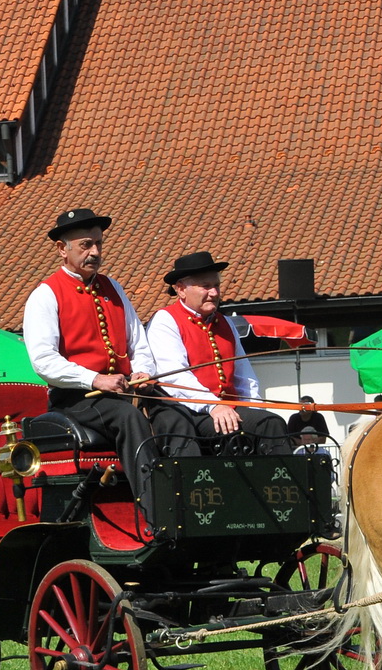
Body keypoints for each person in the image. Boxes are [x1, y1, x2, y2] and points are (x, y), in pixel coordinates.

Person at [22, 207, 159, 514]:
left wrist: (144, 372)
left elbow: (140, 342)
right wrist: (95, 379)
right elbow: (43, 361)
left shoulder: (114, 289)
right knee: (128, 418)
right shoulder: (45, 295)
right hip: (76, 399)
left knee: (175, 415)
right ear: (62, 249)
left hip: (124, 393)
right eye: (86, 245)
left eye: (98, 243)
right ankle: (156, 513)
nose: (95, 251)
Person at [144, 251, 289, 456]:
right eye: (205, 286)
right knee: (229, 433)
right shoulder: (165, 320)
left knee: (270, 423)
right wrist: (213, 406)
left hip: (226, 408)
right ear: (181, 289)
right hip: (187, 411)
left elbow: (244, 377)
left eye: (216, 285)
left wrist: (254, 411)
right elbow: (175, 375)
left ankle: (283, 485)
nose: (214, 293)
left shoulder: (226, 323)